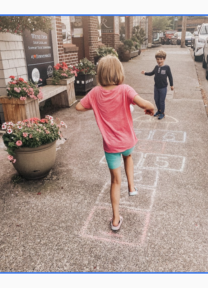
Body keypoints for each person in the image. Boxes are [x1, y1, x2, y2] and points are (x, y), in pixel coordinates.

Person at [76, 55, 155, 231]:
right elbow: (144, 104)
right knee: (128, 156)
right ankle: (132, 187)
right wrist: (151, 108)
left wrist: (94, 104)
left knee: (115, 182)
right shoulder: (125, 89)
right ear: (119, 72)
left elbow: (79, 107)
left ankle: (115, 220)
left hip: (111, 146)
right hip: (128, 141)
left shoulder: (95, 92)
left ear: (100, 74)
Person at [141, 50, 174, 120]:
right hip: (156, 87)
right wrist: (145, 73)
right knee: (156, 99)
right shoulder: (156, 67)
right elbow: (152, 73)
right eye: (158, 59)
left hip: (163, 87)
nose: (159, 61)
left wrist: (171, 85)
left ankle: (162, 113)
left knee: (161, 101)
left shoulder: (167, 67)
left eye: (161, 59)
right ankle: (159, 111)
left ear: (164, 59)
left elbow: (170, 77)